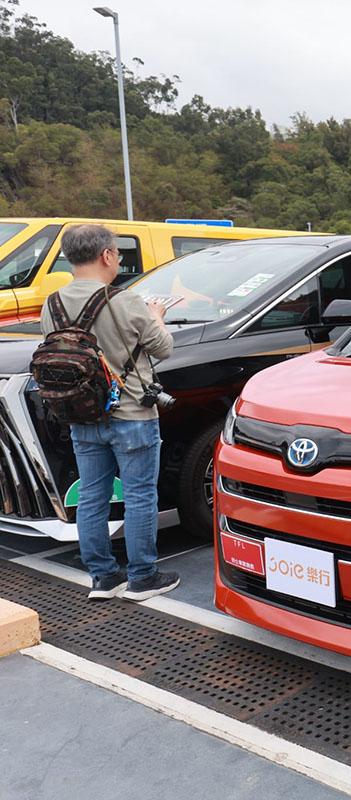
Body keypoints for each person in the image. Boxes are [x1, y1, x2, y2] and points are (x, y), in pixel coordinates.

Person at [39, 224, 179, 602]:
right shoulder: (125, 300)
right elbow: (162, 348)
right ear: (105, 256)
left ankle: (103, 577)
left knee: (92, 497)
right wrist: (157, 315)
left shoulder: (52, 303)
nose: (118, 258)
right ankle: (143, 577)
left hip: (81, 415)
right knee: (138, 496)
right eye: (117, 252)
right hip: (132, 413)